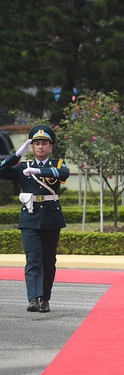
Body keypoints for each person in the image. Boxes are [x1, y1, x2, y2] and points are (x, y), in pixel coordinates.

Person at [0, 125, 69, 313]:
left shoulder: (58, 164)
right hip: (30, 219)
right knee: (33, 258)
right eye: (36, 143)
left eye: (44, 143)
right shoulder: (23, 166)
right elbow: (2, 171)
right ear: (32, 146)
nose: (40, 146)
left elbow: (63, 174)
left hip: (51, 218)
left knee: (48, 260)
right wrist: (17, 154)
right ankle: (33, 298)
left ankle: (45, 298)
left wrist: (38, 172)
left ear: (50, 146)